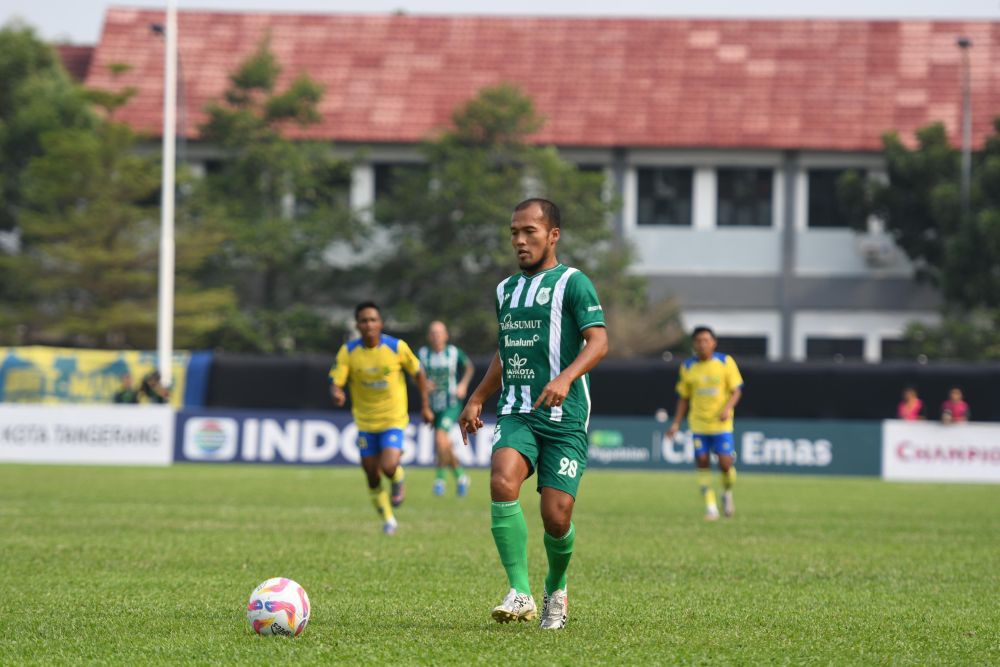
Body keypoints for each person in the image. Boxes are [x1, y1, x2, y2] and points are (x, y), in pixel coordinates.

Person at [459, 198, 608, 630]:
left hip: (566, 414)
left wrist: (565, 378)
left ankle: (555, 590)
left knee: (556, 516)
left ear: (553, 235)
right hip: (518, 410)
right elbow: (507, 352)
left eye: (530, 232)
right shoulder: (505, 290)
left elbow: (598, 342)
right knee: (502, 479)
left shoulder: (574, 283)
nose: (520, 241)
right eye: (514, 233)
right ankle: (520, 591)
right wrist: (478, 397)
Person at [329, 302, 433, 536]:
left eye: (373, 320)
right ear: (357, 325)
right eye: (364, 321)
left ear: (381, 323)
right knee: (371, 474)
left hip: (393, 418)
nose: (369, 325)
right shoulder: (348, 351)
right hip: (365, 423)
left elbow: (418, 372)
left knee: (387, 466)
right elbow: (336, 381)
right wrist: (336, 392)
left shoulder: (396, 347)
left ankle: (398, 477)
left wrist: (425, 406)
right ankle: (388, 519)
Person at [666, 327, 744, 521]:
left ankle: (727, 492)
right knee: (702, 462)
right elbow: (684, 398)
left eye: (706, 340)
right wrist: (676, 423)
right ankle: (711, 507)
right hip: (699, 425)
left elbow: (736, 390)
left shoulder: (725, 362)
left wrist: (727, 409)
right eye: (699, 341)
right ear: (694, 344)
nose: (702, 344)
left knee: (726, 464)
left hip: (721, 425)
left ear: (713, 342)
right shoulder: (688, 366)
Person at [417, 321, 475, 497]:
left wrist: (463, 385)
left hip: (451, 404)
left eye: (439, 333)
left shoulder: (453, 352)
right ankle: (461, 477)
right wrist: (423, 384)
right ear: (429, 336)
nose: (436, 336)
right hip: (433, 405)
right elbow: (416, 375)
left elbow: (469, 367)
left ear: (446, 335)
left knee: (440, 438)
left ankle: (440, 480)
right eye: (433, 333)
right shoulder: (423, 354)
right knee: (445, 444)